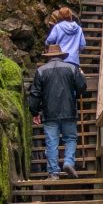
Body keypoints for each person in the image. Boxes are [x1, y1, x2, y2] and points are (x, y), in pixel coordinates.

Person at [28, 44, 87, 181]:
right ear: (61, 56)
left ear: (48, 57)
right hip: (69, 111)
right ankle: (68, 162)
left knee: (51, 142)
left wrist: (34, 112)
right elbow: (82, 88)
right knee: (71, 139)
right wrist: (81, 78)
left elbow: (35, 94)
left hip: (49, 113)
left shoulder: (41, 71)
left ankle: (53, 173)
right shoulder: (72, 69)